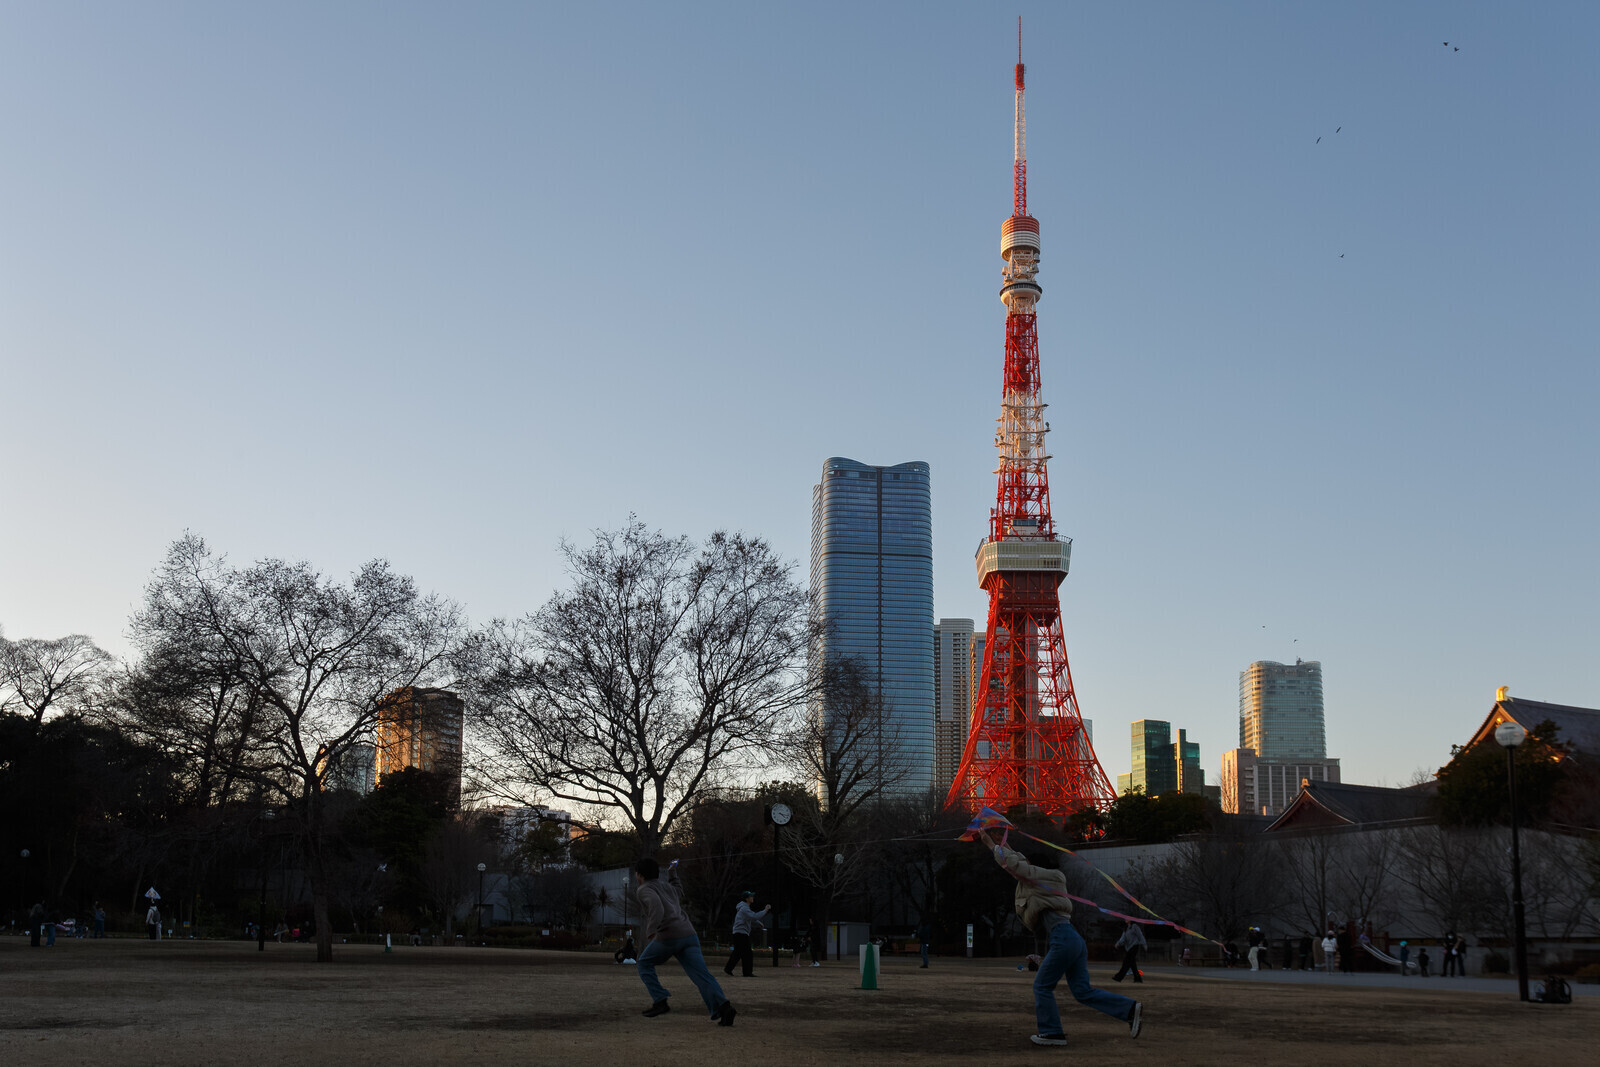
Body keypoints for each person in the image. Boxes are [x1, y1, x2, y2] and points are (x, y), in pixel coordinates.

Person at [975, 829, 1141, 1046]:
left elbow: (1018, 867)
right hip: (1072, 939)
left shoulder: (1047, 877)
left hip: (1063, 939)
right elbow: (1022, 863)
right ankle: (1128, 1009)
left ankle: (1052, 1032)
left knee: (1042, 986)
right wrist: (1003, 845)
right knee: (1082, 991)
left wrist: (990, 845)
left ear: (1039, 867)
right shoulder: (1049, 879)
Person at [633, 857, 736, 1026]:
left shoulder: (644, 889)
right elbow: (679, 890)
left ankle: (660, 1000)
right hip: (689, 934)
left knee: (644, 963)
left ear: (640, 874)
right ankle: (724, 1007)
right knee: (702, 975)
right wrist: (673, 872)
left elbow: (656, 907)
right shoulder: (667, 886)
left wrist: (651, 930)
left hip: (669, 936)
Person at [723, 891, 770, 978]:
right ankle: (746, 972)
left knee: (738, 952)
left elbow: (750, 917)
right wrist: (765, 910)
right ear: (746, 899)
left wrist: (758, 923)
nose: (753, 898)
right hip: (741, 933)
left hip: (738, 933)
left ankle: (729, 969)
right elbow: (754, 916)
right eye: (751, 896)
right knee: (747, 953)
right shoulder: (744, 908)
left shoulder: (744, 907)